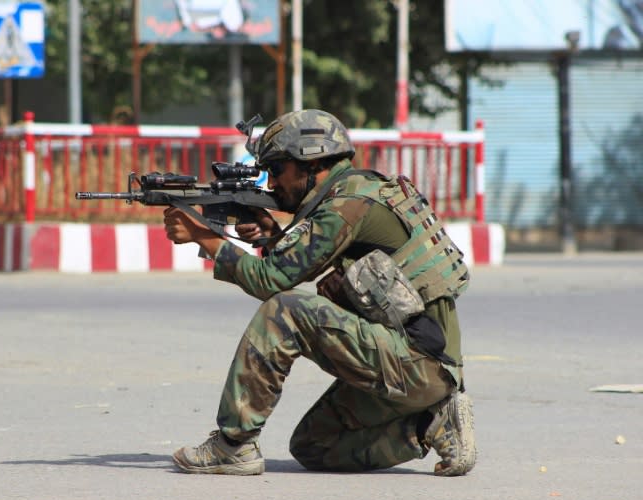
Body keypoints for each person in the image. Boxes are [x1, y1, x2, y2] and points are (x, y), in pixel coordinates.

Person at [162, 109, 476, 476]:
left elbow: (271, 281)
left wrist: (207, 239)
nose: (272, 182)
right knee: (313, 446)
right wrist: (271, 236)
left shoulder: (345, 206)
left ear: (312, 164)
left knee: (286, 311)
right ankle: (430, 425)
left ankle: (233, 445)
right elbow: (311, 264)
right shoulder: (358, 192)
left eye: (277, 169)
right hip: (422, 365)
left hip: (418, 363)